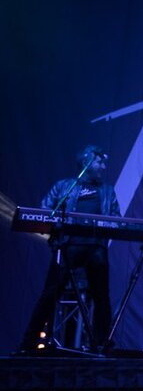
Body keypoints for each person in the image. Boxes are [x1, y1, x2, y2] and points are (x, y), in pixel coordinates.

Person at [18, 145, 121, 353]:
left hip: (95, 247)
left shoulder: (108, 191)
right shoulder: (64, 186)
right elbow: (45, 211)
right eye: (99, 162)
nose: (103, 166)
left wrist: (103, 225)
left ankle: (102, 343)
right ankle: (29, 342)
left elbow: (116, 220)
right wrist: (58, 224)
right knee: (50, 293)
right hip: (68, 246)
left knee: (101, 296)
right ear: (86, 163)